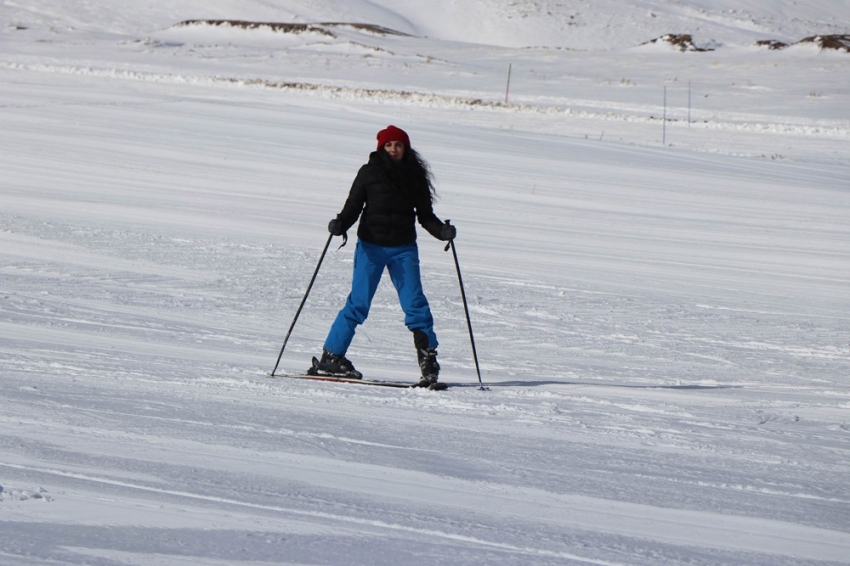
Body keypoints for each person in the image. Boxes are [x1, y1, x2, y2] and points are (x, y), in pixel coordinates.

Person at [307, 125, 456, 387]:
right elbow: (353, 206)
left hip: (403, 249)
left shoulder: (414, 176)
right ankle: (331, 356)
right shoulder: (369, 173)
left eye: (398, 145)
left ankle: (428, 359)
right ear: (381, 148)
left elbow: (425, 216)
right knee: (358, 303)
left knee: (415, 304)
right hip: (370, 247)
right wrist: (341, 224)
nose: (394, 149)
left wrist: (442, 232)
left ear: (406, 148)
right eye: (389, 145)